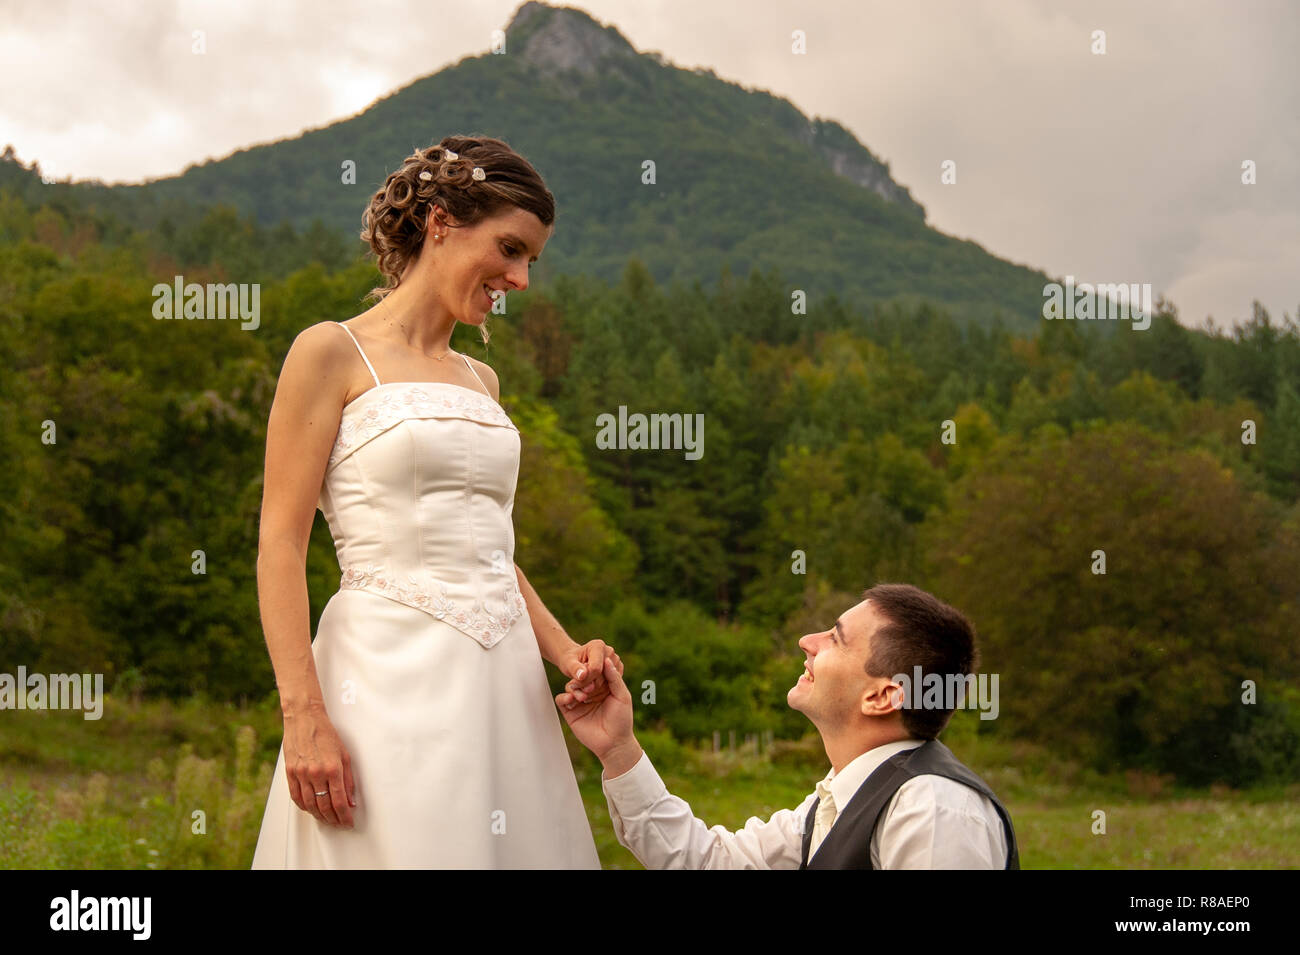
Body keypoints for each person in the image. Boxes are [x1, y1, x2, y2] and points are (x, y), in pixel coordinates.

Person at [251, 135, 619, 868]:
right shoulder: (330, 353)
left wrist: (565, 651)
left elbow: (490, 551)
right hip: (380, 679)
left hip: (500, 682)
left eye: (530, 262)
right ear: (442, 221)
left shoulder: (483, 382)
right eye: (509, 249)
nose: (519, 278)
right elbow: (280, 544)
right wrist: (304, 714)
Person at [557, 583, 1019, 869]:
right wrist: (618, 750)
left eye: (835, 638)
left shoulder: (935, 811)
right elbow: (707, 862)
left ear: (881, 696)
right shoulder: (836, 801)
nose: (807, 642)